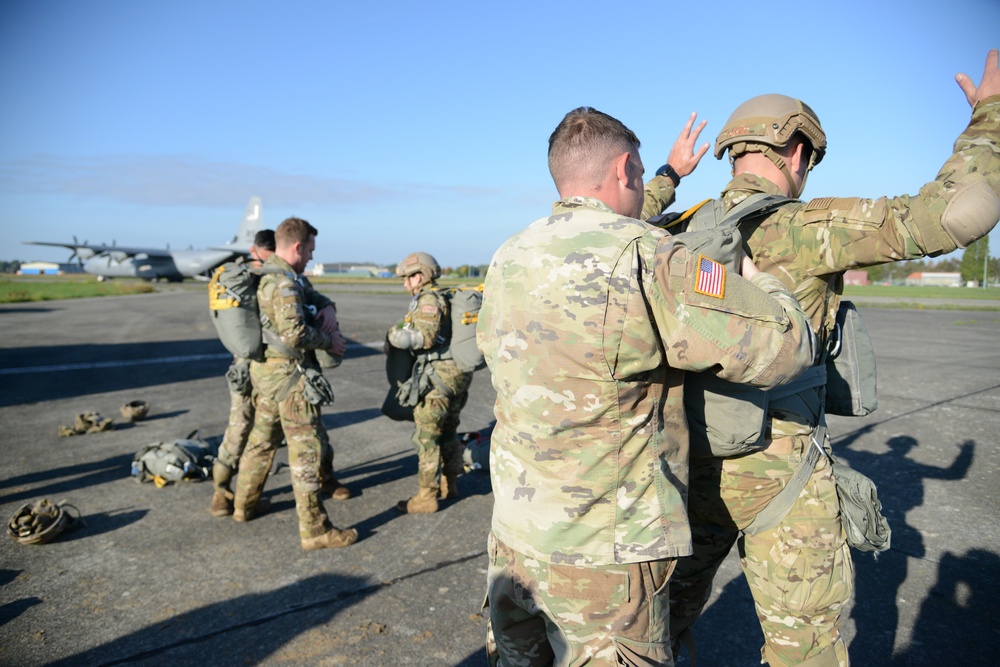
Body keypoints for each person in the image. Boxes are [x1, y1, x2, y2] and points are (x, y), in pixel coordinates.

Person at [642, 50, 1000, 666]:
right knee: (805, 648)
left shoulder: (677, 231)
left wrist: (668, 175)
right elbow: (959, 212)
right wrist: (990, 119)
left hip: (686, 465)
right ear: (799, 152)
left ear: (733, 153)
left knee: (656, 627)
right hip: (783, 476)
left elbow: (609, 225)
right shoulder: (809, 225)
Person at [476, 106, 817, 666]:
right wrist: (769, 285)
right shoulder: (646, 257)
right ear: (625, 167)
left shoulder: (510, 253)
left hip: (515, 545)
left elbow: (615, 214)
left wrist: (669, 174)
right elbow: (783, 350)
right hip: (606, 558)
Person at [232, 217, 357, 551]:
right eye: (310, 251)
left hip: (266, 377)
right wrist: (328, 342)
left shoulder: (272, 274)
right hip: (290, 380)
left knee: (260, 442)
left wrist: (328, 305)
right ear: (297, 247)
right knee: (306, 452)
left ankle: (244, 505)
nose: (311, 258)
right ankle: (315, 529)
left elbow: (310, 294)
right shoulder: (285, 284)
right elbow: (294, 333)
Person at [386, 252, 472, 514]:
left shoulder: (429, 299)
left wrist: (394, 336)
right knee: (448, 431)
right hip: (455, 377)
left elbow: (425, 338)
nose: (404, 284)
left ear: (419, 275)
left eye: (407, 278)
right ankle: (450, 484)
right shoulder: (445, 295)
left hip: (438, 380)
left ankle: (426, 497)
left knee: (426, 437)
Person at [209, 230, 275, 517]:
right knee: (299, 427)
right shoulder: (275, 279)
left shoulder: (239, 279)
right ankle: (326, 478)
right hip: (269, 367)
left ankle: (220, 494)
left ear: (253, 249)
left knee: (238, 427)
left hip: (241, 367)